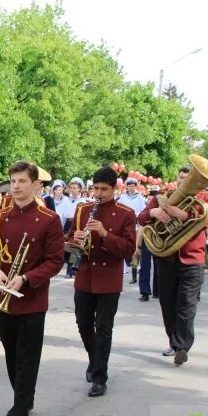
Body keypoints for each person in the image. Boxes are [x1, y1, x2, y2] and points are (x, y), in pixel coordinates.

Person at [0, 161, 64, 416]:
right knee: (11, 355)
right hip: (4, 296)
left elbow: (55, 261)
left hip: (32, 298)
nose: (15, 186)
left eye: (21, 181)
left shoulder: (48, 219)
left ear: (35, 185)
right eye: (13, 181)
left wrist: (28, 278)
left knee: (27, 358)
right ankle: (24, 397)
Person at [67, 167, 136, 397]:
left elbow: (128, 249)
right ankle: (94, 359)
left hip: (109, 279)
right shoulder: (82, 209)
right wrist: (75, 239)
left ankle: (100, 377)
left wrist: (106, 234)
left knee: (104, 328)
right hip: (85, 275)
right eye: (95, 188)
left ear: (114, 189)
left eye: (104, 189)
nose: (98, 193)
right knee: (83, 324)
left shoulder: (125, 213)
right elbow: (69, 241)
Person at [137, 166, 208, 365]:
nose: (183, 181)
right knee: (168, 303)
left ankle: (182, 346)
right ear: (177, 178)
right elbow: (141, 217)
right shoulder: (163, 196)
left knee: (187, 305)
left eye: (188, 178)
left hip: (193, 260)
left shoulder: (205, 198)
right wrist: (154, 212)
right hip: (167, 259)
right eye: (181, 178)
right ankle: (173, 342)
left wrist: (182, 215)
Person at [118, 177, 147, 285]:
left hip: (136, 226)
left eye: (133, 186)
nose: (131, 187)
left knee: (135, 250)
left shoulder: (140, 198)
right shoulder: (122, 197)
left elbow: (144, 211)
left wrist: (137, 217)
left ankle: (134, 275)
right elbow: (119, 209)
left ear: (136, 186)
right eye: (129, 186)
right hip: (124, 225)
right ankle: (122, 270)